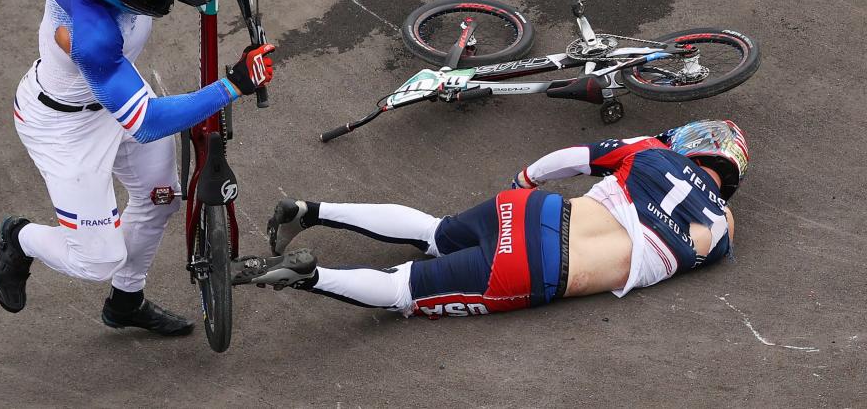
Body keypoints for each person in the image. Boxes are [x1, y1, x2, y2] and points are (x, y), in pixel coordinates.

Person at [0, 0, 275, 336]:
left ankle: (126, 303)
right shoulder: (91, 37)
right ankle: (20, 238)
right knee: (95, 259)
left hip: (115, 93)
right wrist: (234, 84)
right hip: (65, 128)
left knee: (160, 199)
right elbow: (144, 121)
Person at [231, 120, 747, 318]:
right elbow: (703, 245)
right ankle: (310, 276)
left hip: (534, 210)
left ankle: (311, 210)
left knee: (434, 230)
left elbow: (571, 155)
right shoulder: (721, 226)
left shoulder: (651, 151)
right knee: (403, 292)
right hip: (543, 268)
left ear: (691, 144)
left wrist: (526, 180)